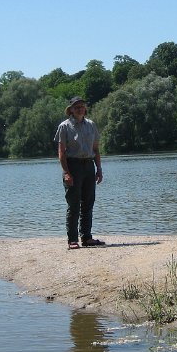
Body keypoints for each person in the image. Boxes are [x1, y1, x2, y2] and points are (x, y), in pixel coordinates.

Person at [54, 96, 104, 249]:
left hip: (89, 166)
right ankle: (72, 240)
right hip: (73, 166)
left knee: (88, 203)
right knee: (74, 204)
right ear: (71, 110)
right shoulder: (65, 126)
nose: (79, 109)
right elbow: (61, 152)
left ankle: (87, 237)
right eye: (76, 107)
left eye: (81, 106)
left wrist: (99, 169)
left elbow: (95, 149)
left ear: (85, 109)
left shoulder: (91, 125)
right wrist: (66, 172)